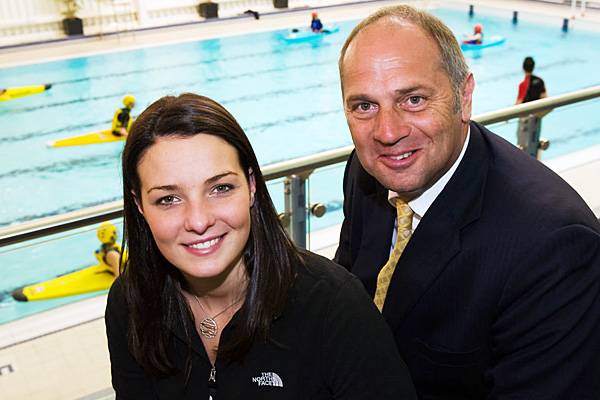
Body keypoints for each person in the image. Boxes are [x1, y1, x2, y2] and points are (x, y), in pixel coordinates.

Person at [335, 4, 600, 399]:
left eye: (413, 99)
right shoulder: (365, 170)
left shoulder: (554, 248)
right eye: (364, 106)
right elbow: (346, 296)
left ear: (464, 96)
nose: (387, 132)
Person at [105, 93, 417, 399]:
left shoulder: (334, 308)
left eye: (220, 188)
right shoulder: (131, 302)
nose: (198, 221)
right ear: (140, 205)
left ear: (252, 186)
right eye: (168, 199)